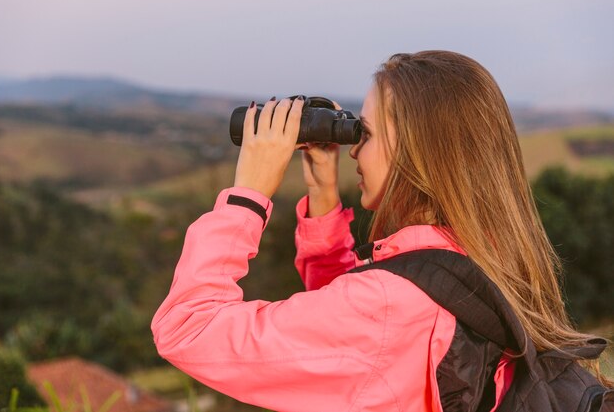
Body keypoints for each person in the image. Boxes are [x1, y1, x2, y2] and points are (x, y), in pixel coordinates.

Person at [151, 51, 612, 412]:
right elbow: (353, 342)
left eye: (364, 134)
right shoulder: (481, 250)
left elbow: (185, 327)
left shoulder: (389, 307)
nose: (353, 150)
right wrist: (324, 195)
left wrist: (249, 194)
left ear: (416, 152)